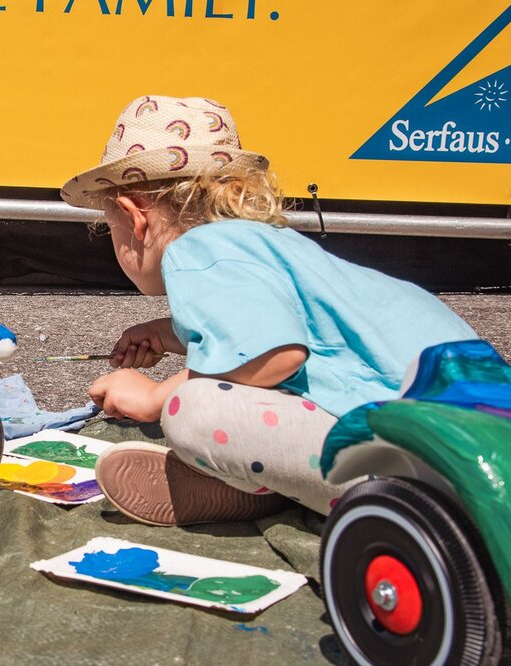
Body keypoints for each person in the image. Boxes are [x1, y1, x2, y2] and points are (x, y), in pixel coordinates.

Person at [60, 95, 478, 525]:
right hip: (474, 417)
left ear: (135, 215)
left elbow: (271, 355)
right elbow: (287, 329)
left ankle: (337, 495)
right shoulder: (259, 243)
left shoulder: (193, 251)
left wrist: (152, 397)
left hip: (428, 465)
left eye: (109, 226)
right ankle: (270, 480)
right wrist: (169, 333)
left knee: (193, 409)